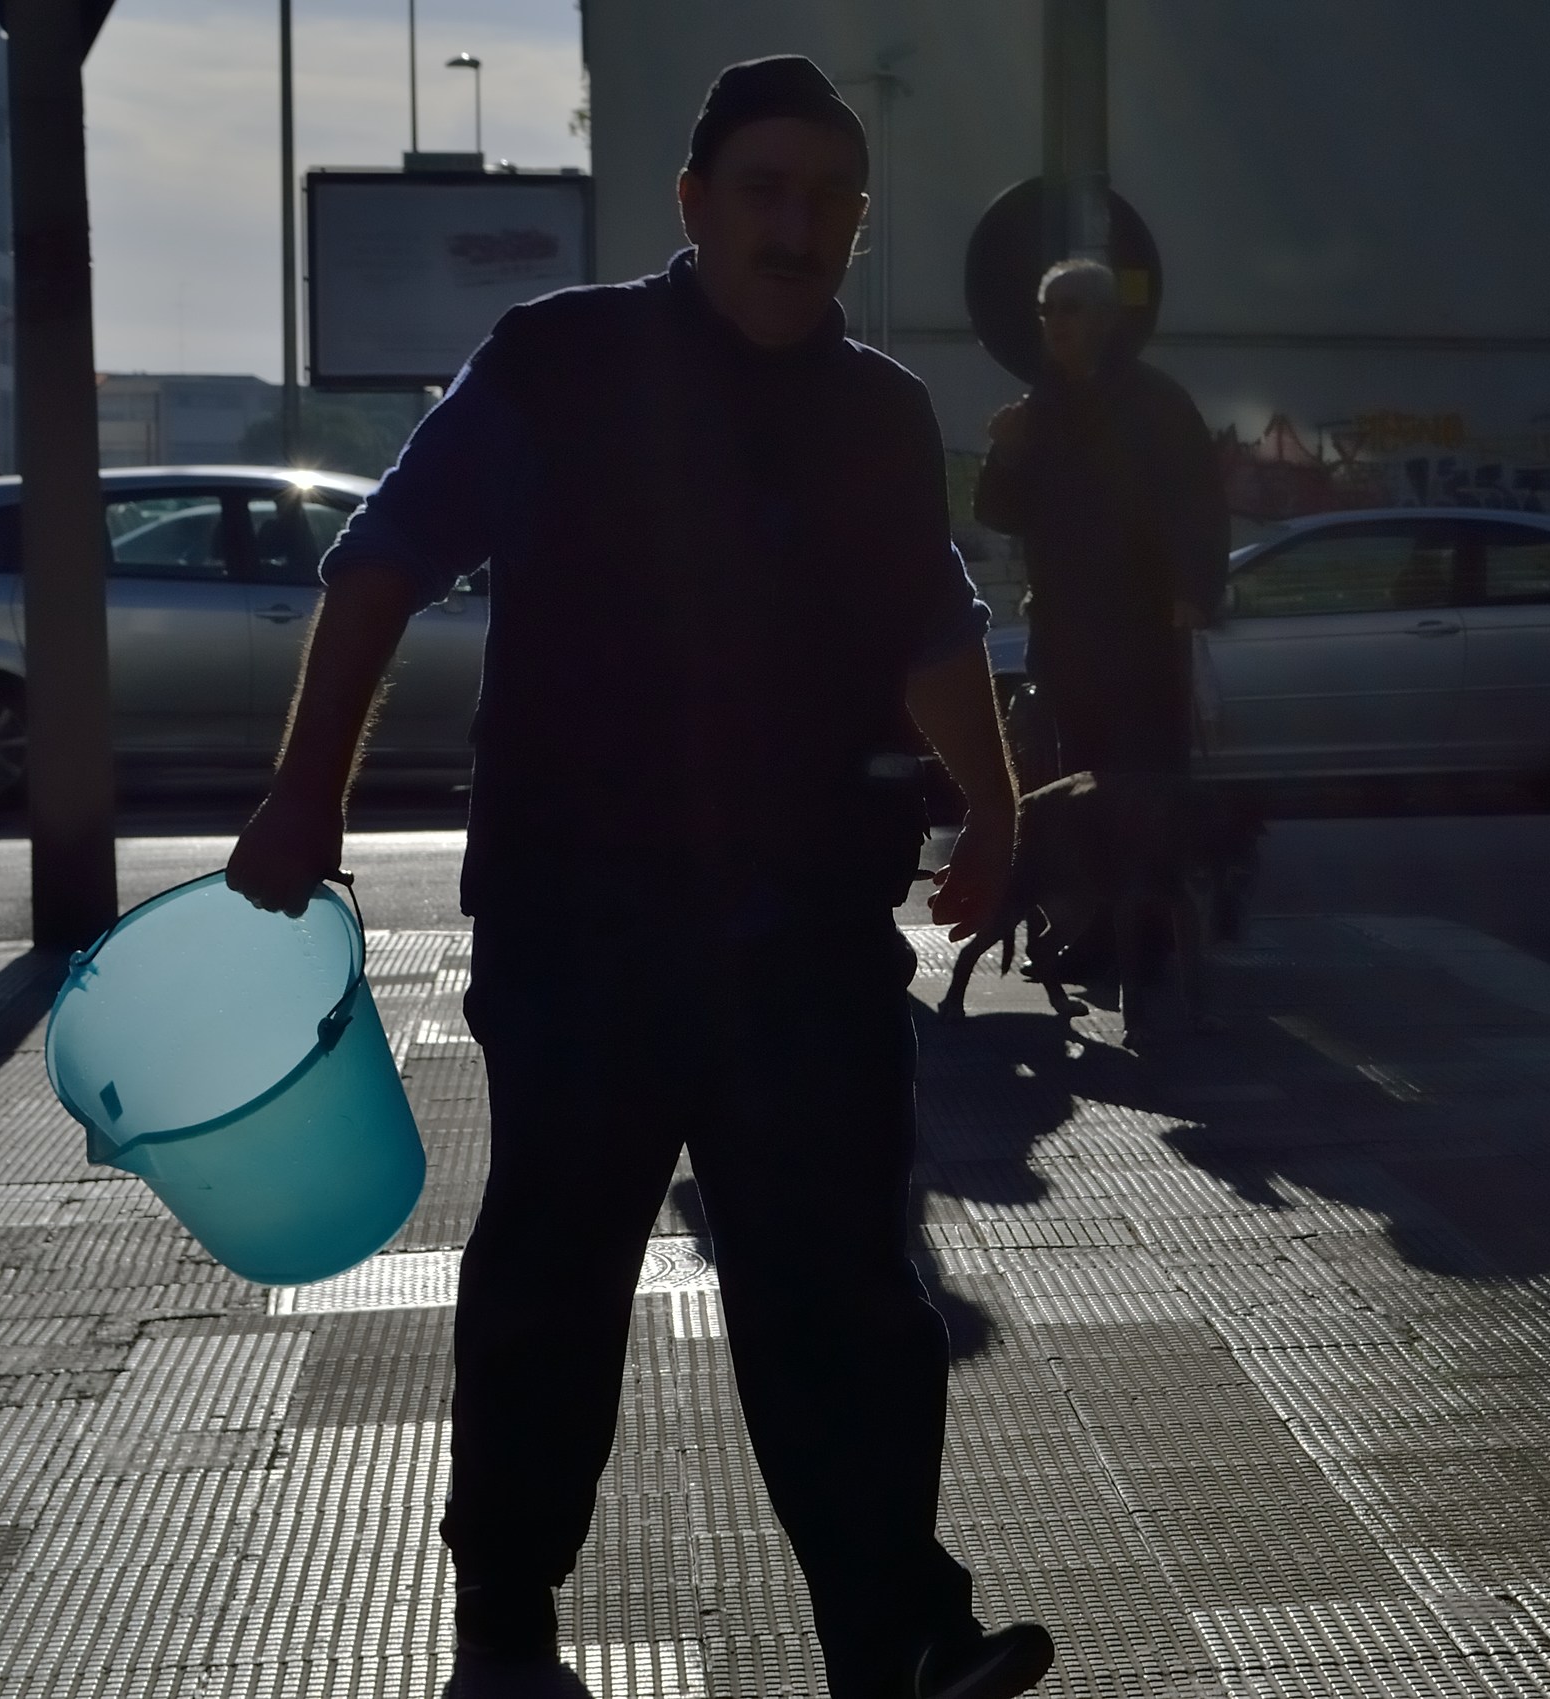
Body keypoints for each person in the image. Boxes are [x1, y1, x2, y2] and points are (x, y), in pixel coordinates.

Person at [226, 57, 1052, 1699]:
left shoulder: (880, 412)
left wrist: (998, 808)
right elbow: (384, 557)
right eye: (762, 189)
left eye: (828, 198)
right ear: (691, 204)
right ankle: (508, 1626)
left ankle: (892, 1631)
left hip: (811, 933)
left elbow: (933, 624)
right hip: (579, 931)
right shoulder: (560, 362)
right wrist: (303, 790)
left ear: (858, 223)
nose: (794, 225)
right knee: (553, 1276)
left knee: (847, 1298)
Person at [972, 259, 1230, 779]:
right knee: (1073, 779)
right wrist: (1006, 455)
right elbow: (998, 512)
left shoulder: (1155, 401)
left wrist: (1193, 592)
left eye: (1071, 308)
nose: (1056, 322)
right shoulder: (1039, 408)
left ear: (1107, 318)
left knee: (1147, 775)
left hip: (1142, 630)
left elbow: (1198, 500)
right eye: (1047, 311)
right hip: (1063, 631)